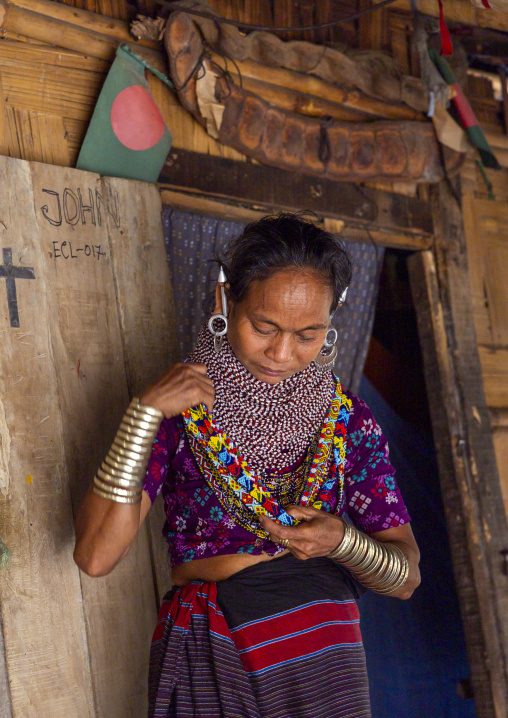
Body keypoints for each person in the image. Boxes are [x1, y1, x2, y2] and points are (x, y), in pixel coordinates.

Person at [74, 213, 421, 718]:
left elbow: (407, 579)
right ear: (225, 300)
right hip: (216, 649)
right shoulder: (179, 410)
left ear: (330, 324)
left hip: (326, 661)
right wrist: (143, 415)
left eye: (307, 334)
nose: (281, 353)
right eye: (264, 326)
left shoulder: (349, 422)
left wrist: (341, 541)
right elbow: (95, 556)